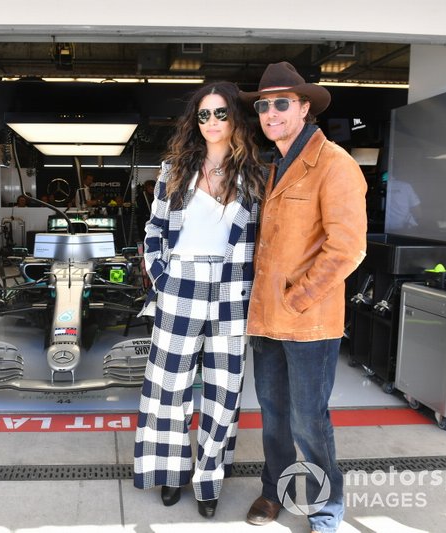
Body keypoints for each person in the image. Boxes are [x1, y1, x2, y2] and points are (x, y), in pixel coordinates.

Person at [240, 62, 367, 533]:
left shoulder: (335, 164)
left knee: (309, 421)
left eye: (281, 103)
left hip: (308, 322)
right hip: (266, 319)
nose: (269, 112)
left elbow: (347, 248)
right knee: (273, 417)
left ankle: (327, 505)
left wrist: (297, 298)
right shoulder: (272, 166)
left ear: (304, 107)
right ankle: (274, 491)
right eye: (262, 104)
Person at [133, 81, 266, 518]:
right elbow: (153, 231)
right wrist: (161, 276)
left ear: (235, 120)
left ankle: (208, 480)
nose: (211, 122)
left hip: (232, 290)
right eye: (204, 114)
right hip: (181, 284)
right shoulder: (174, 169)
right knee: (168, 389)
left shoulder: (254, 175)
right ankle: (171, 473)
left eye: (221, 113)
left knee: (224, 391)